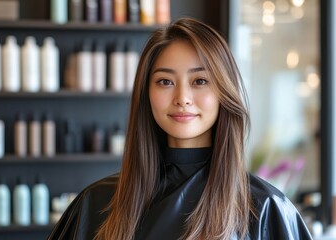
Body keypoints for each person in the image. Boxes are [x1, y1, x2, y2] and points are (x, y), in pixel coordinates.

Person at [48, 18, 312, 240]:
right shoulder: (96, 203)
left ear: (223, 93)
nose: (183, 97)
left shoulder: (266, 209)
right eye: (165, 81)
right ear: (146, 94)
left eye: (199, 81)